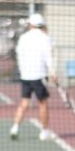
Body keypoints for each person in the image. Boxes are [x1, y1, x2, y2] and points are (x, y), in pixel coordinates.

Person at [10, 13, 58, 141]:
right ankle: (44, 132)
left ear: (31, 24)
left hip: (25, 76)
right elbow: (49, 56)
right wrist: (52, 72)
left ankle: (15, 128)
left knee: (24, 102)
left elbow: (19, 55)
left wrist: (22, 70)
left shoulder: (23, 38)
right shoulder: (45, 38)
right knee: (43, 103)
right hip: (39, 76)